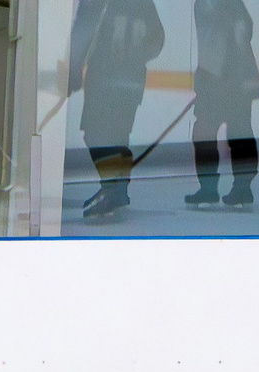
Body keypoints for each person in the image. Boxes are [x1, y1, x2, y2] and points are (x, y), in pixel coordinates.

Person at [72, 0, 164, 221]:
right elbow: (157, 39)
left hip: (114, 80)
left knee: (99, 135)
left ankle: (112, 190)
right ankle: (116, 191)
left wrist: (74, 69)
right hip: (120, 80)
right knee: (110, 136)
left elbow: (81, 34)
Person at [185, 0, 259, 210]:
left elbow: (241, 28)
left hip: (228, 77)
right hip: (218, 76)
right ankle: (217, 187)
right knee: (210, 132)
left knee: (235, 132)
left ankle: (239, 186)